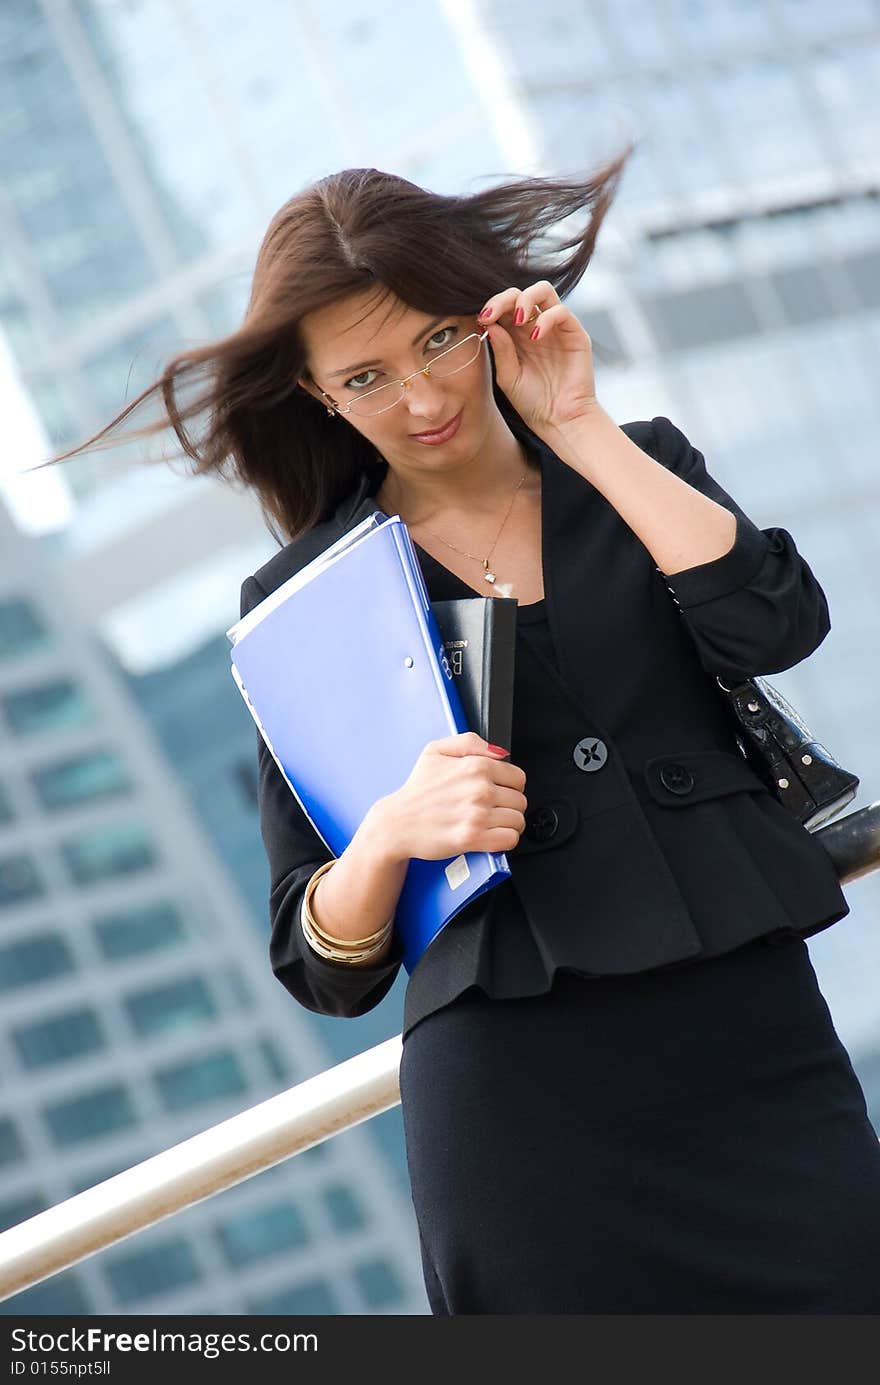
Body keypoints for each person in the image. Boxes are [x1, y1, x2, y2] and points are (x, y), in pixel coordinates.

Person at [46, 151, 880, 1314]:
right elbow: (315, 956)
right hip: (521, 1105)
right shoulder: (309, 601)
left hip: (750, 1042)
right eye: (368, 377)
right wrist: (390, 836)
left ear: (491, 319)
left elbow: (777, 623)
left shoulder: (637, 464)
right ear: (321, 398)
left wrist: (579, 428)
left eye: (441, 340)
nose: (424, 399)